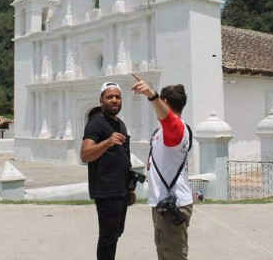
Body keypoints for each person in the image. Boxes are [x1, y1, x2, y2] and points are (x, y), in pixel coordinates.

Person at [131, 73, 193, 260]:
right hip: (164, 203)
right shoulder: (163, 132)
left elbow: (169, 122)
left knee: (172, 255)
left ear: (165, 102)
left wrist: (151, 96)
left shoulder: (176, 129)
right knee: (165, 251)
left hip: (172, 203)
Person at [80, 82, 136, 260]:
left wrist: (130, 187)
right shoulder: (95, 123)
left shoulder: (120, 124)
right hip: (106, 190)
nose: (114, 100)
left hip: (121, 190)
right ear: (101, 100)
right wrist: (107, 142)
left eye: (117, 97)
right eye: (109, 97)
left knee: (116, 233)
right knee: (108, 238)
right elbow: (85, 155)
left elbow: (124, 157)